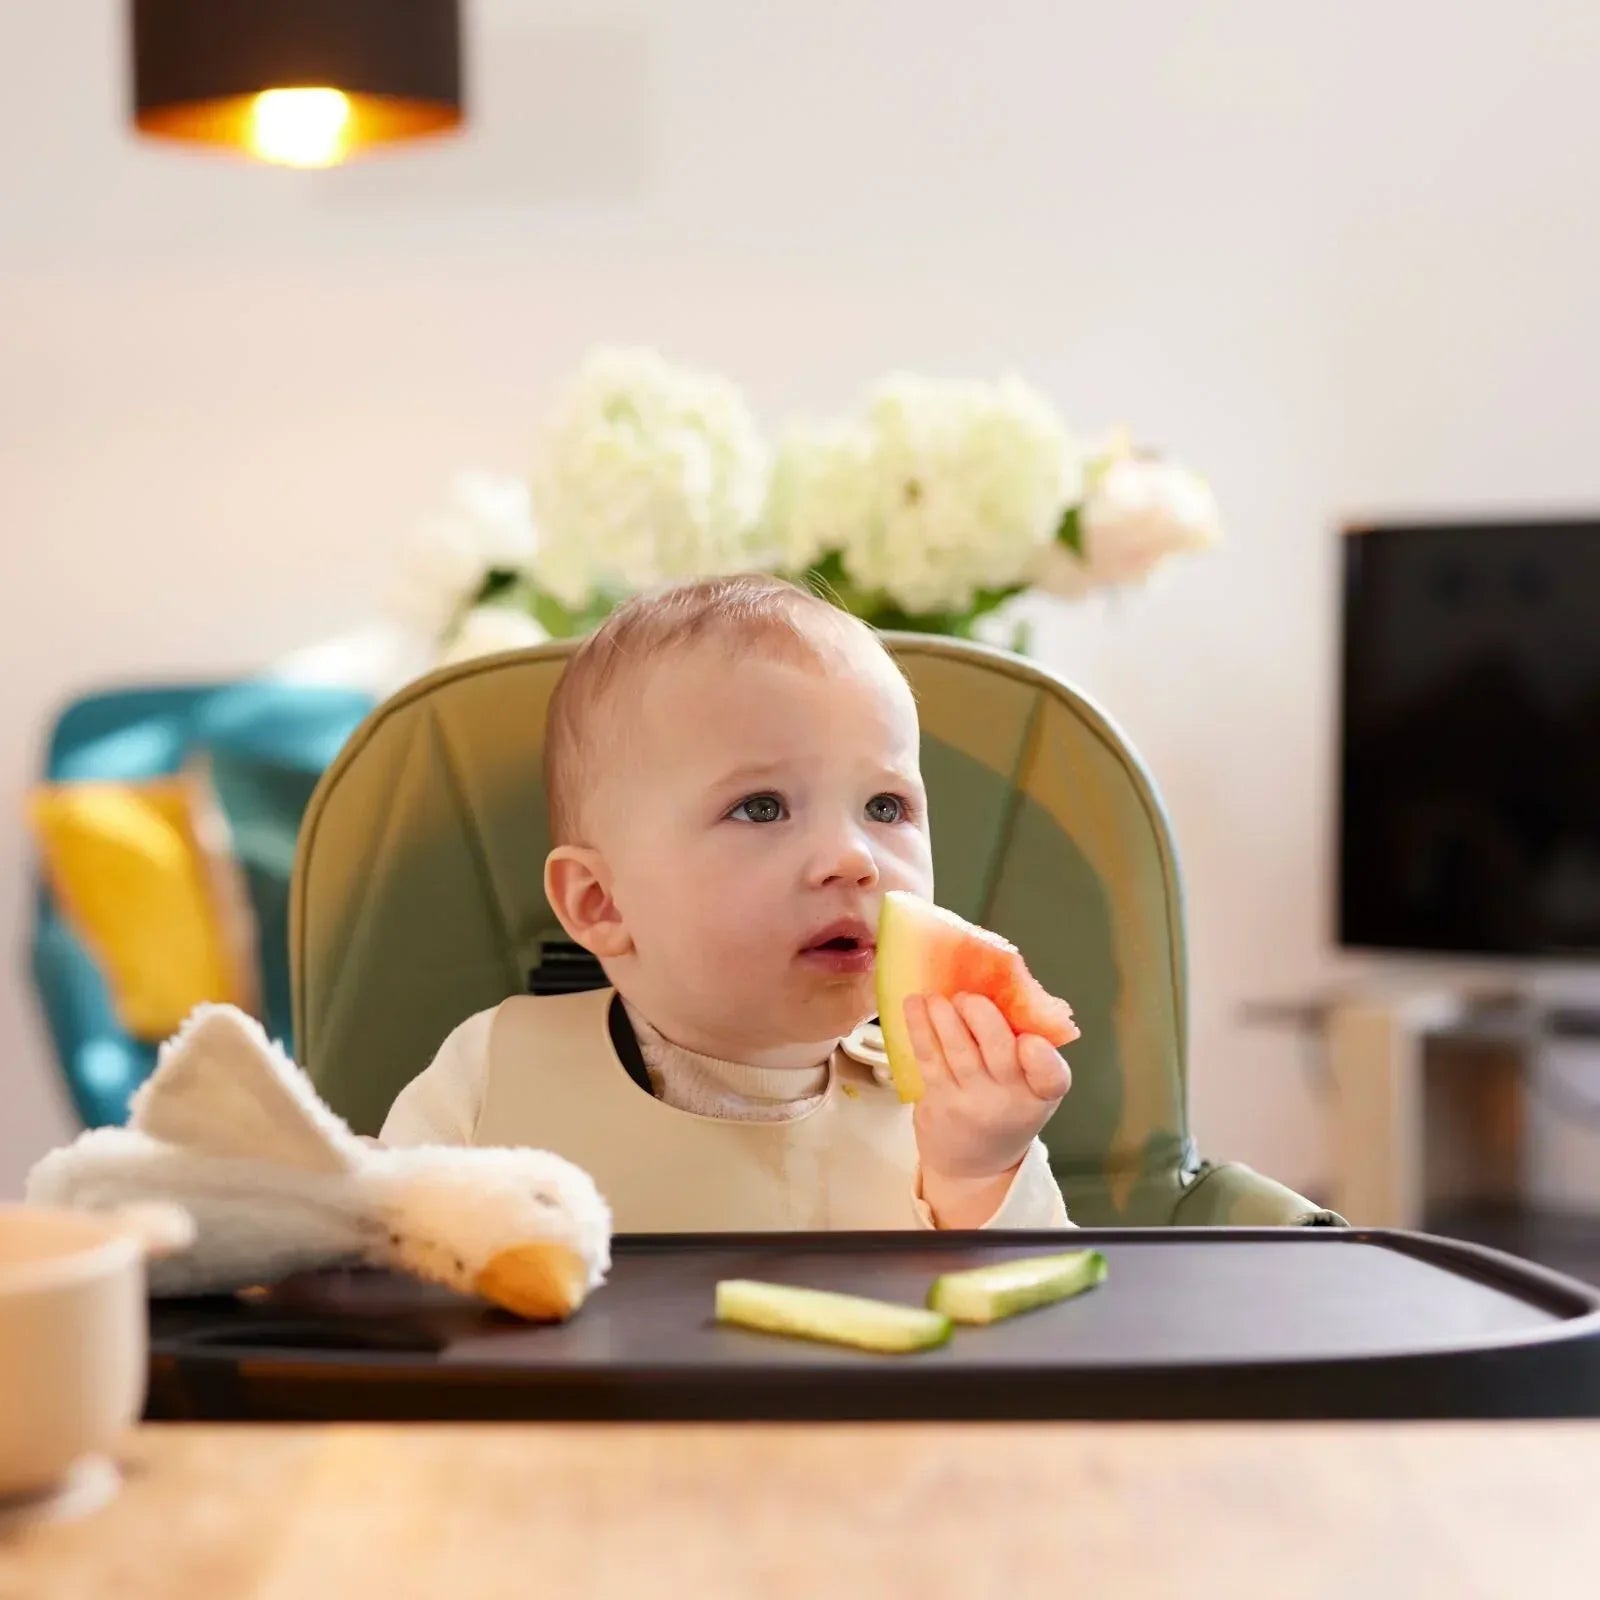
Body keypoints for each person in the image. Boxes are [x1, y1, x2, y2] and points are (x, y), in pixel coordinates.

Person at [381, 574, 1074, 1230]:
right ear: (603, 904)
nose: (854, 860)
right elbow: (384, 1271)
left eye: (885, 805)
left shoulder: (959, 1106)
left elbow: (1049, 1337)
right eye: (762, 807)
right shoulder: (490, 1073)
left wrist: (978, 1178)